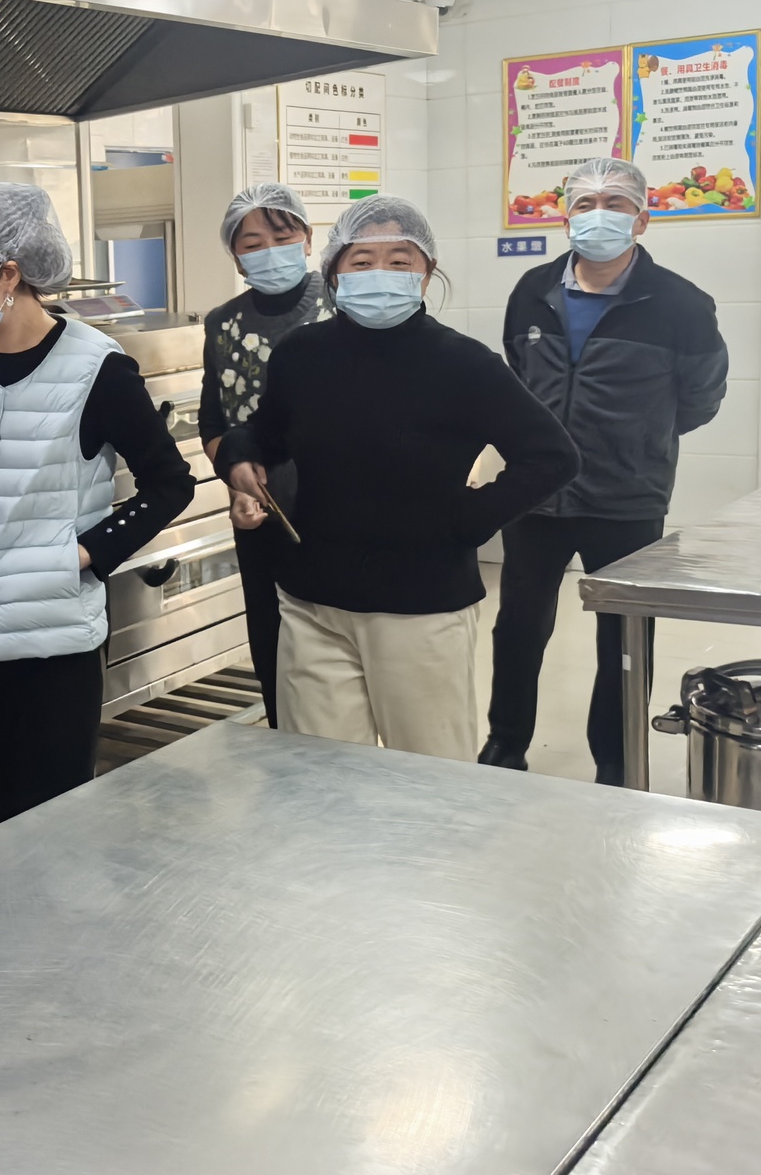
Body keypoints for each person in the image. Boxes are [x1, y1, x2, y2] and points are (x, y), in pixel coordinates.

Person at [217, 196, 578, 762]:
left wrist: (465, 520)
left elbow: (552, 456)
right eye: (362, 261)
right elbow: (268, 432)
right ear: (334, 271)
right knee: (319, 772)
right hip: (313, 601)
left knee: (426, 776)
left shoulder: (463, 363)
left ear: (427, 273)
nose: (379, 274)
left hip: (421, 604)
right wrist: (241, 459)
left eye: (399, 261)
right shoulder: (301, 354)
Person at [0, 181, 195, 839]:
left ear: (8, 275)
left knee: (47, 836)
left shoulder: (97, 369)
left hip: (50, 646)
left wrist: (85, 555)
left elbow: (169, 484)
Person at [480, 157, 729, 786]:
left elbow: (701, 397)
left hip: (627, 496)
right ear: (566, 218)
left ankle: (615, 761)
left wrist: (638, 441)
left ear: (641, 219)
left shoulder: (681, 303)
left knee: (623, 638)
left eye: (615, 203)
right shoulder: (532, 289)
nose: (599, 215)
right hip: (535, 493)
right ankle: (505, 743)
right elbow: (517, 377)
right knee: (518, 626)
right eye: (585, 203)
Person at [198, 182, 335, 727]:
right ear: (235, 256)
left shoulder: (343, 305)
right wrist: (236, 477)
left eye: (282, 237)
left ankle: (348, 754)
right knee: (272, 639)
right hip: (262, 511)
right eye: (252, 243)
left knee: (335, 643)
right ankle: (284, 740)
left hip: (342, 507)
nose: (269, 252)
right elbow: (214, 422)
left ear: (308, 239)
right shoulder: (222, 323)